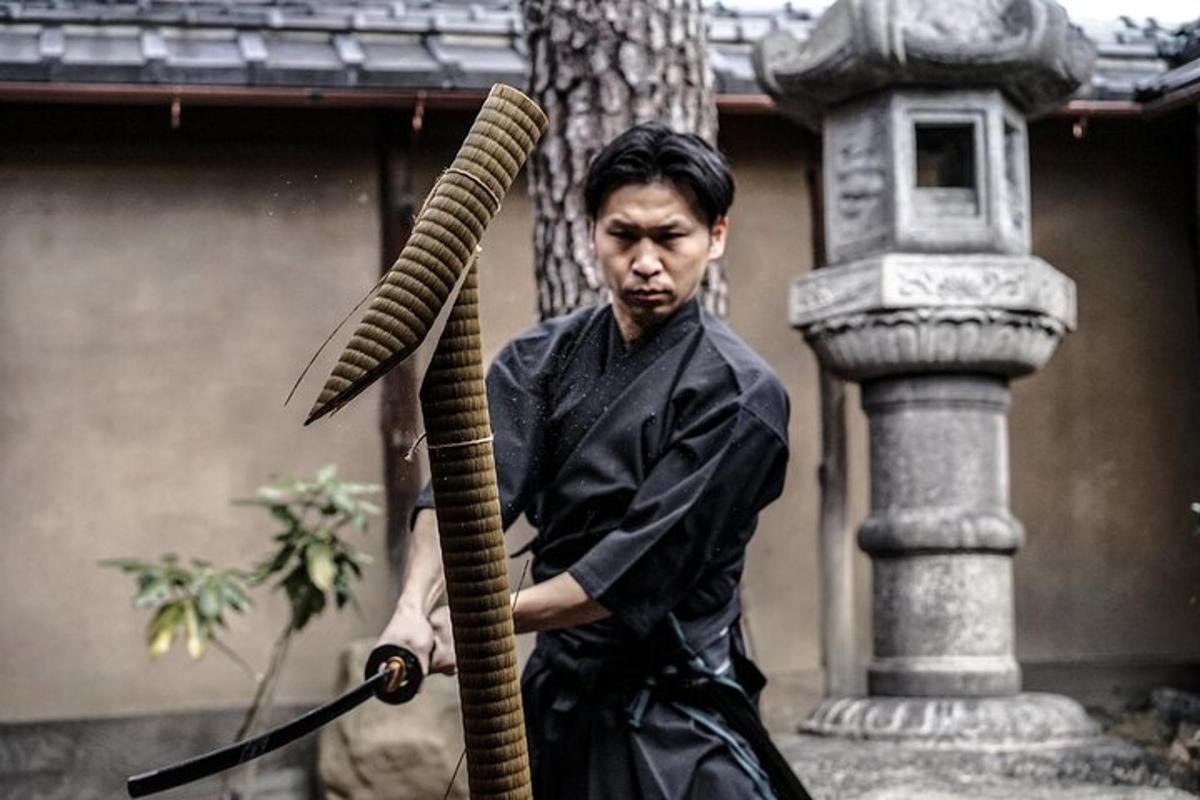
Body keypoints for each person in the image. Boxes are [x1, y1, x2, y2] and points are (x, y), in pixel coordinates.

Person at [377, 123, 791, 799]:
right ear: (591, 233)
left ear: (716, 237)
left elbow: (628, 574)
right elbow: (464, 492)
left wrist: (481, 620)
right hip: (556, 700)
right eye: (624, 236)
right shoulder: (538, 361)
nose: (646, 261)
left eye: (671, 237)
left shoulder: (741, 398)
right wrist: (410, 609)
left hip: (674, 707)